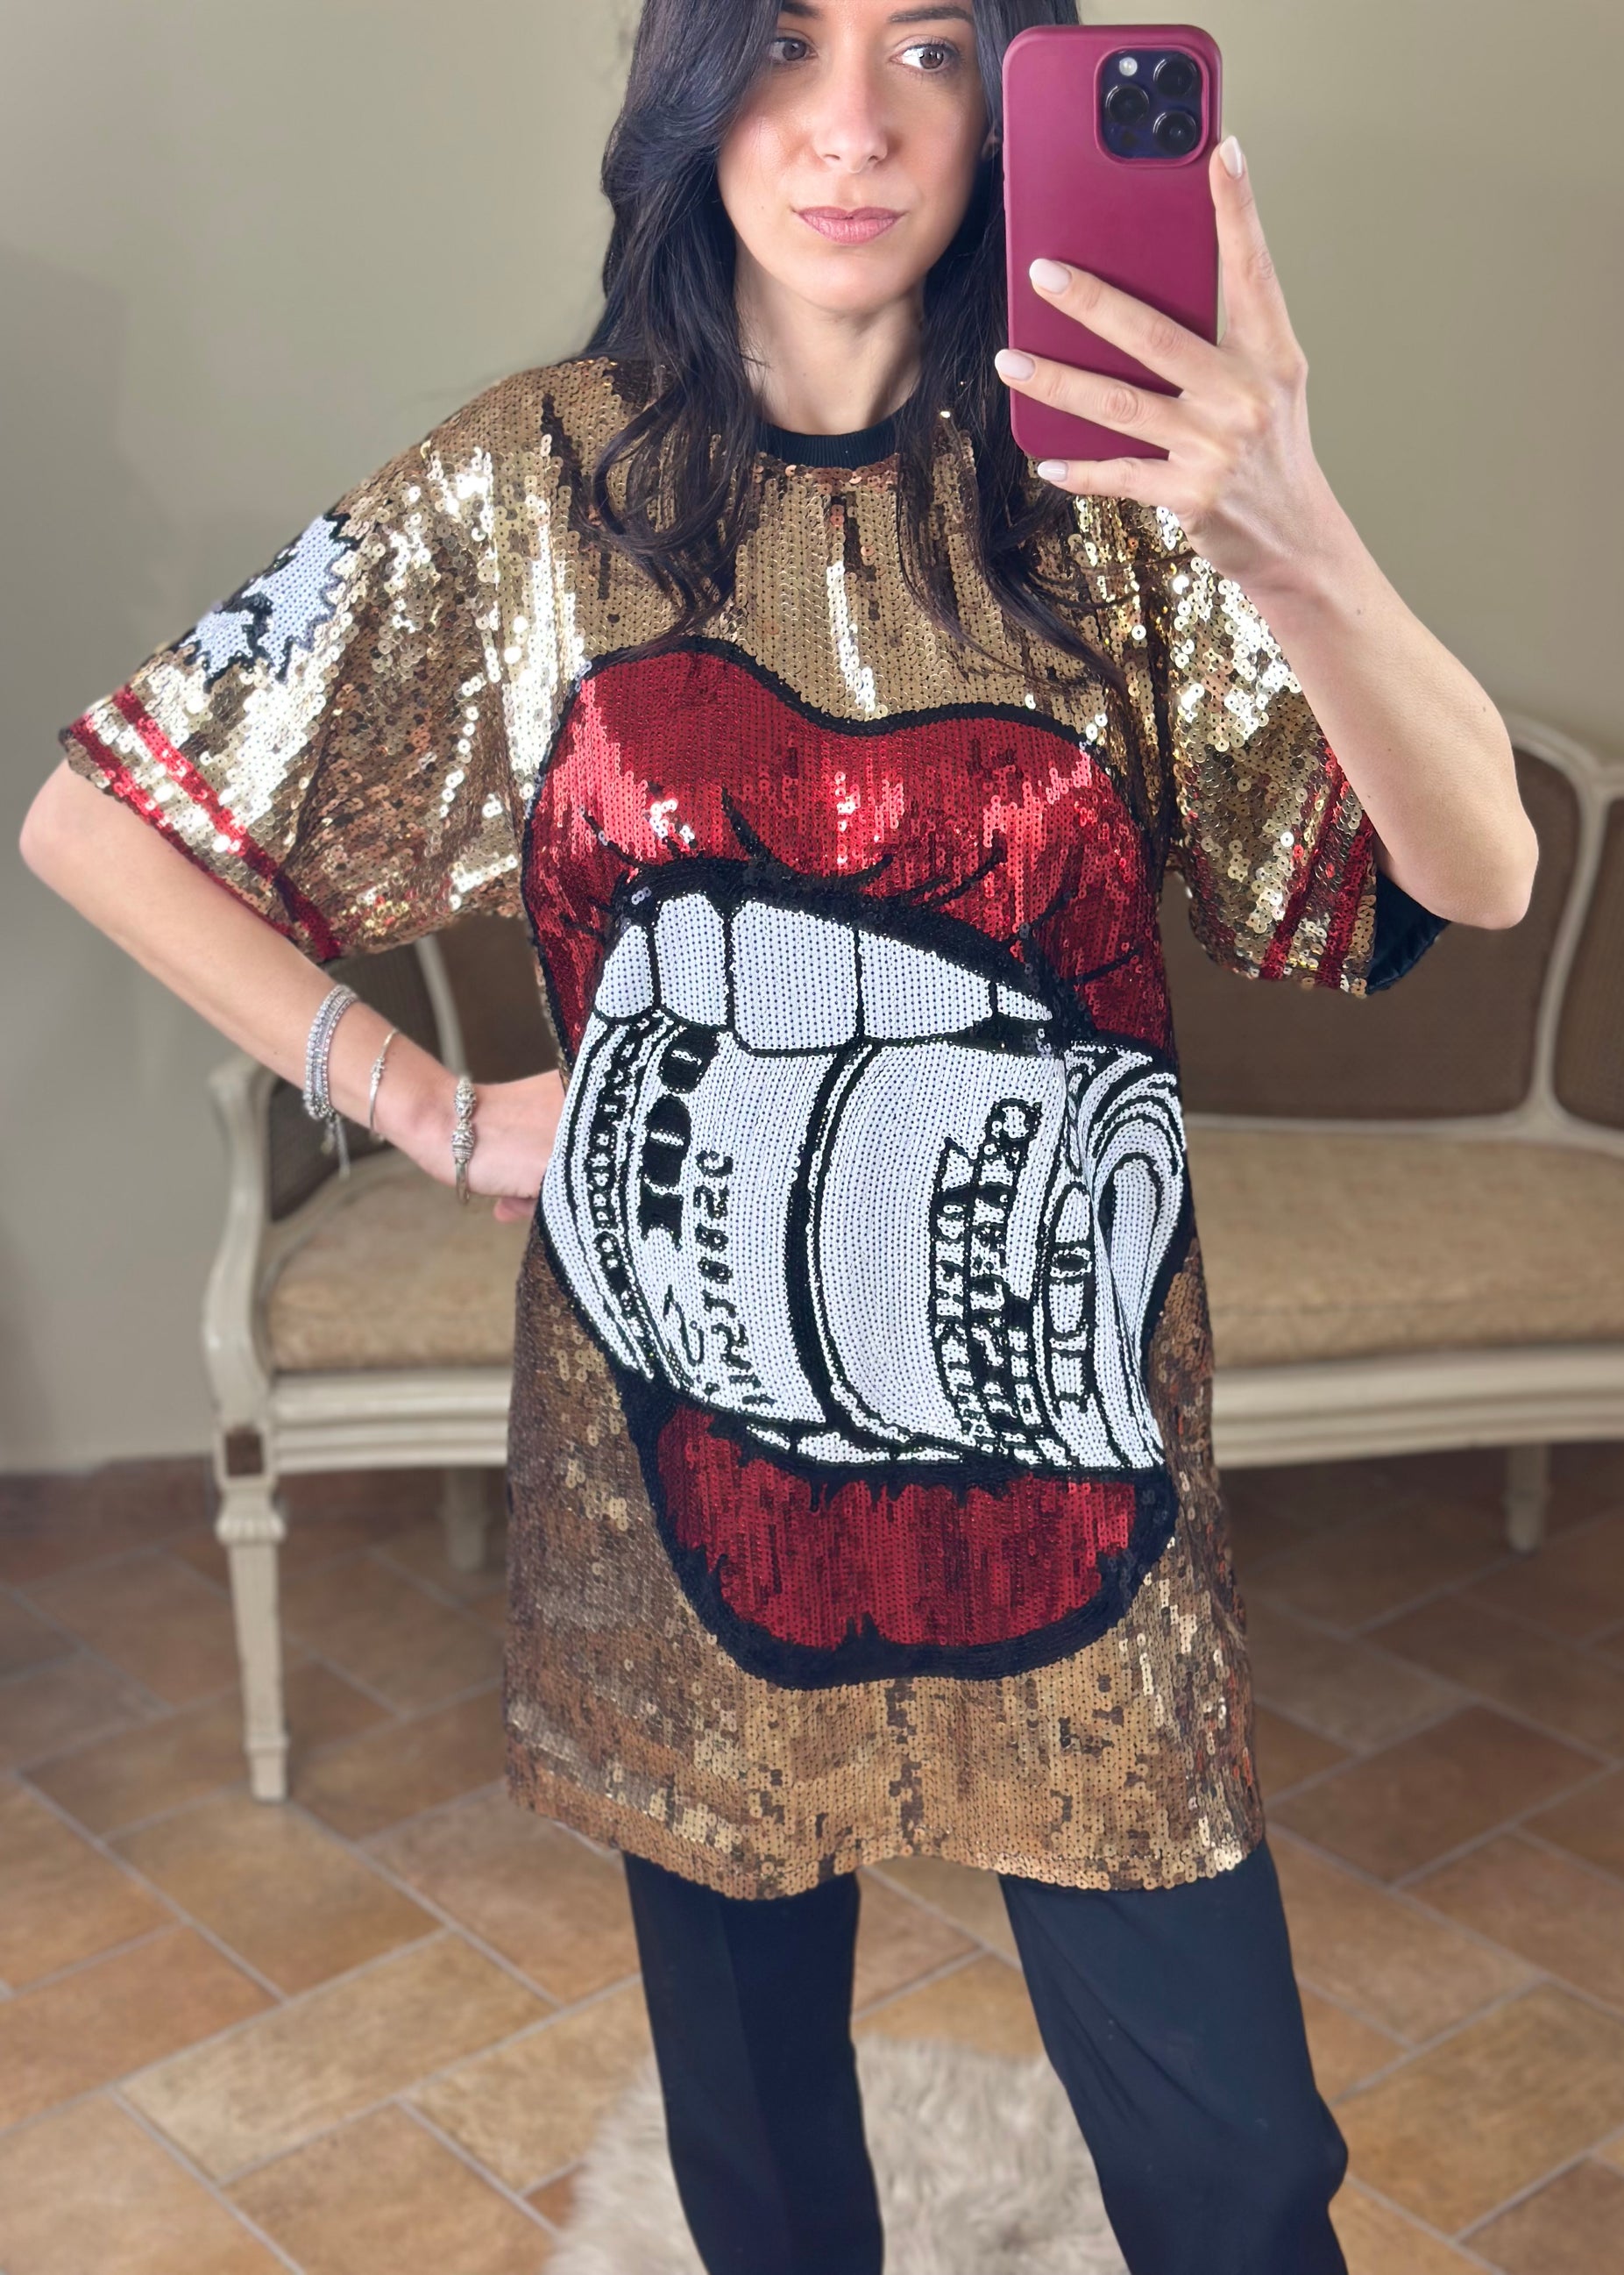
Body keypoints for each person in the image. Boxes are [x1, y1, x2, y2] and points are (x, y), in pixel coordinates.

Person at [20, 1, 1536, 2268]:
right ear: (691, 80)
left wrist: (1289, 529)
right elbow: (92, 817)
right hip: (680, 1481)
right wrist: (423, 1105)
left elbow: (1472, 880)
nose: (851, 125)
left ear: (1007, 89)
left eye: (927, 46)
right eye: (787, 42)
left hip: (1080, 1487)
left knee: (1235, 2176)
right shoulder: (530, 491)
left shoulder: (1115, 491)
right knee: (760, 2173)